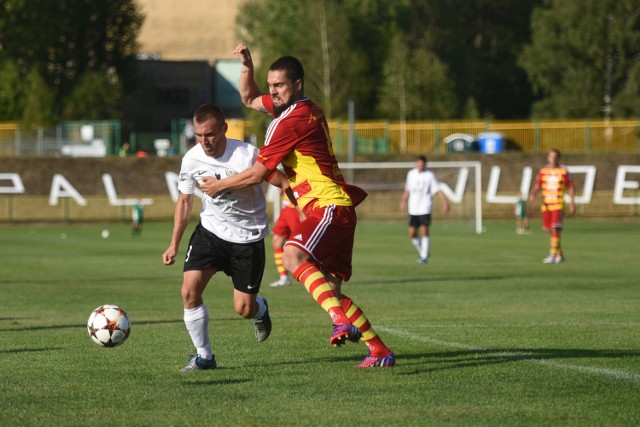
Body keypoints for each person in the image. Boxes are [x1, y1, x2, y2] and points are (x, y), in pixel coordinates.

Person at [199, 44, 395, 368]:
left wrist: (220, 185)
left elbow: (259, 174)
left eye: (279, 86)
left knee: (292, 255)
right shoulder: (305, 109)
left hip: (328, 207)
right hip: (339, 208)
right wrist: (246, 65)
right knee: (333, 293)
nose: (273, 92)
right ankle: (379, 351)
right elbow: (249, 99)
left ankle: (339, 322)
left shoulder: (289, 121)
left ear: (298, 85)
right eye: (271, 85)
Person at [162, 103, 290, 372]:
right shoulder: (191, 159)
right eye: (198, 135)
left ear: (223, 128)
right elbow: (185, 203)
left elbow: (281, 181)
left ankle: (261, 308)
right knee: (189, 291)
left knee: (244, 309)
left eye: (209, 134)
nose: (204, 141)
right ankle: (204, 357)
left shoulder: (246, 154)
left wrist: (301, 208)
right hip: (210, 232)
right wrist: (174, 243)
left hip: (248, 238)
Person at [399, 155, 450, 264]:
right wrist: (403, 201)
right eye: (418, 163)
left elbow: (438, 190)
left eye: (422, 163)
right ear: (416, 163)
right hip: (413, 208)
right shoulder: (411, 174)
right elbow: (407, 189)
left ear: (425, 164)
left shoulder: (430, 175)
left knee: (424, 231)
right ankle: (423, 251)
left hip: (425, 207)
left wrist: (445, 202)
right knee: (412, 233)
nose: (420, 165)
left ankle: (424, 256)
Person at [529, 148, 575, 264]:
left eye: (555, 157)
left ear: (558, 158)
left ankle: (552, 255)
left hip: (558, 204)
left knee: (555, 228)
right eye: (551, 157)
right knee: (551, 230)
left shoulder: (564, 171)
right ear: (548, 158)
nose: (553, 159)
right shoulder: (543, 171)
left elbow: (570, 187)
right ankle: (560, 255)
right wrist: (532, 194)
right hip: (546, 205)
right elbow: (537, 185)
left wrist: (572, 203)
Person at [269, 190, 301, 287]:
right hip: (286, 208)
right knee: (276, 240)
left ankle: (320, 271)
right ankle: (284, 277)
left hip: (295, 207)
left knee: (301, 243)